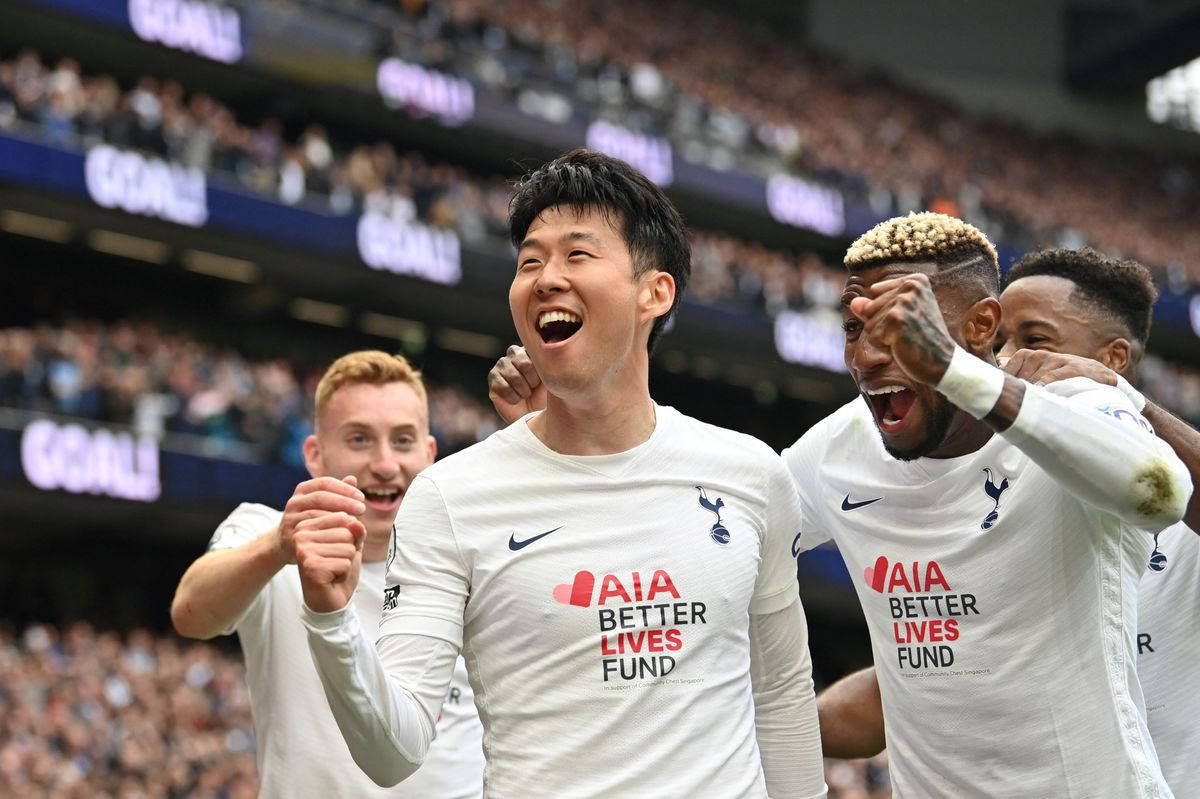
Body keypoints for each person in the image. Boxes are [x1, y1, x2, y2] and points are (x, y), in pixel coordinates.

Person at [297, 149, 828, 798]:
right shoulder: (450, 497)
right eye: (529, 261)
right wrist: (329, 620)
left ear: (654, 292)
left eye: (578, 255)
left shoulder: (749, 473)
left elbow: (780, 693)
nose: (547, 277)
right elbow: (395, 750)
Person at [784, 216, 1190, 798]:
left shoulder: (1075, 402)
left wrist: (953, 372)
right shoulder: (839, 447)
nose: (869, 355)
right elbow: (723, 541)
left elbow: (1161, 492)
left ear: (980, 326)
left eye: (904, 327)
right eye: (855, 328)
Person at [170, 351, 484, 799]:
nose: (385, 463)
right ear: (315, 455)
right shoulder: (266, 532)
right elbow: (190, 613)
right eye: (359, 439)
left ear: (429, 453)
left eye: (402, 440)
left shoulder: (472, 557)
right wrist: (277, 548)